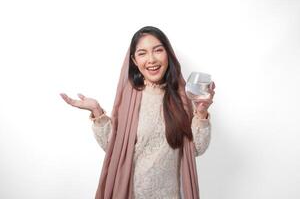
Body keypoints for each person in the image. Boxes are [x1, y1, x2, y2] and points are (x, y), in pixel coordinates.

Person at [60, 26, 215, 199]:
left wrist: (201, 113)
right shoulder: (130, 98)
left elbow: (195, 150)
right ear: (134, 60)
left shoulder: (181, 97)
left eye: (158, 50)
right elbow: (115, 147)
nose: (151, 59)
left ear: (168, 54)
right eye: (142, 53)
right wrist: (97, 112)